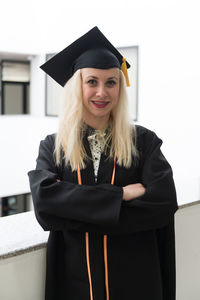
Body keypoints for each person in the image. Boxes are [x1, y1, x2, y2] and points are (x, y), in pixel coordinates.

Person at [28, 26, 178, 300]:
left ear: (121, 87)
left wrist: (73, 213)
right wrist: (120, 195)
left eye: (111, 82)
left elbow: (163, 204)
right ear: (77, 86)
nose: (102, 92)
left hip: (135, 284)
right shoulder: (55, 146)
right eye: (92, 81)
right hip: (74, 286)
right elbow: (44, 202)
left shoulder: (143, 142)